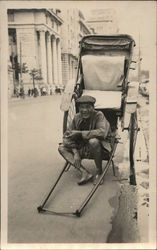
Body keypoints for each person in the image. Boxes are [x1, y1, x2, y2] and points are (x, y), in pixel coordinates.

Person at [58, 95, 112, 185]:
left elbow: (102, 132)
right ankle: (84, 172)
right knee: (61, 148)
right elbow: (66, 136)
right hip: (82, 147)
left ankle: (99, 172)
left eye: (88, 107)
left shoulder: (99, 115)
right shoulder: (76, 117)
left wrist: (80, 133)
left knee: (93, 141)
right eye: (82, 107)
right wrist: (75, 152)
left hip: (100, 149)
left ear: (93, 108)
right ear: (79, 108)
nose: (85, 110)